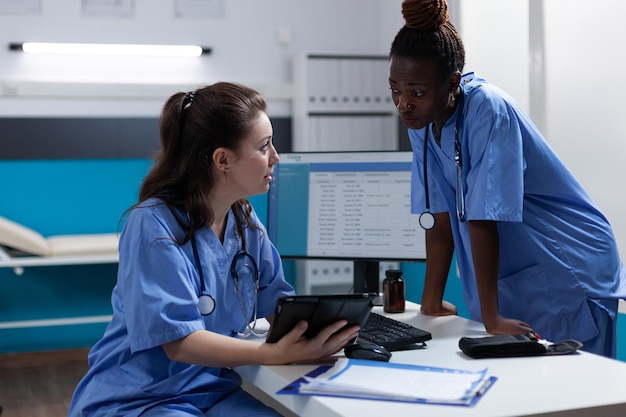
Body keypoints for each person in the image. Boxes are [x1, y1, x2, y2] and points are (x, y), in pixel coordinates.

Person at [67, 82, 360, 416]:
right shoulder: (151, 225)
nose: (276, 157)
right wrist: (276, 353)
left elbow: (277, 306)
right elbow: (179, 342)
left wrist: (333, 329)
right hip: (139, 397)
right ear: (223, 159)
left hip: (211, 391)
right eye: (264, 146)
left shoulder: (244, 220)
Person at [389, 0, 626, 358]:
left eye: (416, 92)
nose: (403, 103)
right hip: (523, 273)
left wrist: (491, 315)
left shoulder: (488, 109)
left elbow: (485, 215)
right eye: (395, 89)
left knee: (573, 394)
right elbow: (440, 217)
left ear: (451, 83)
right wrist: (430, 303)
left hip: (567, 264)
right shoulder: (422, 120)